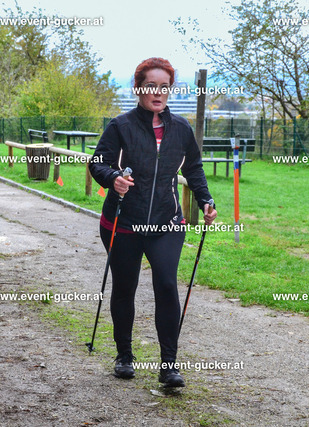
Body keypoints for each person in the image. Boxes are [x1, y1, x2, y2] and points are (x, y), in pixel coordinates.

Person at [89, 57, 217, 387]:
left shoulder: (181, 129)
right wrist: (113, 178)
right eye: (150, 86)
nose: (157, 93)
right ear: (138, 89)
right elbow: (97, 163)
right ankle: (124, 356)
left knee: (166, 284)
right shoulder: (121, 126)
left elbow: (194, 168)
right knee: (125, 286)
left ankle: (169, 365)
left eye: (164, 87)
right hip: (123, 222)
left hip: (166, 222)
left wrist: (205, 200)